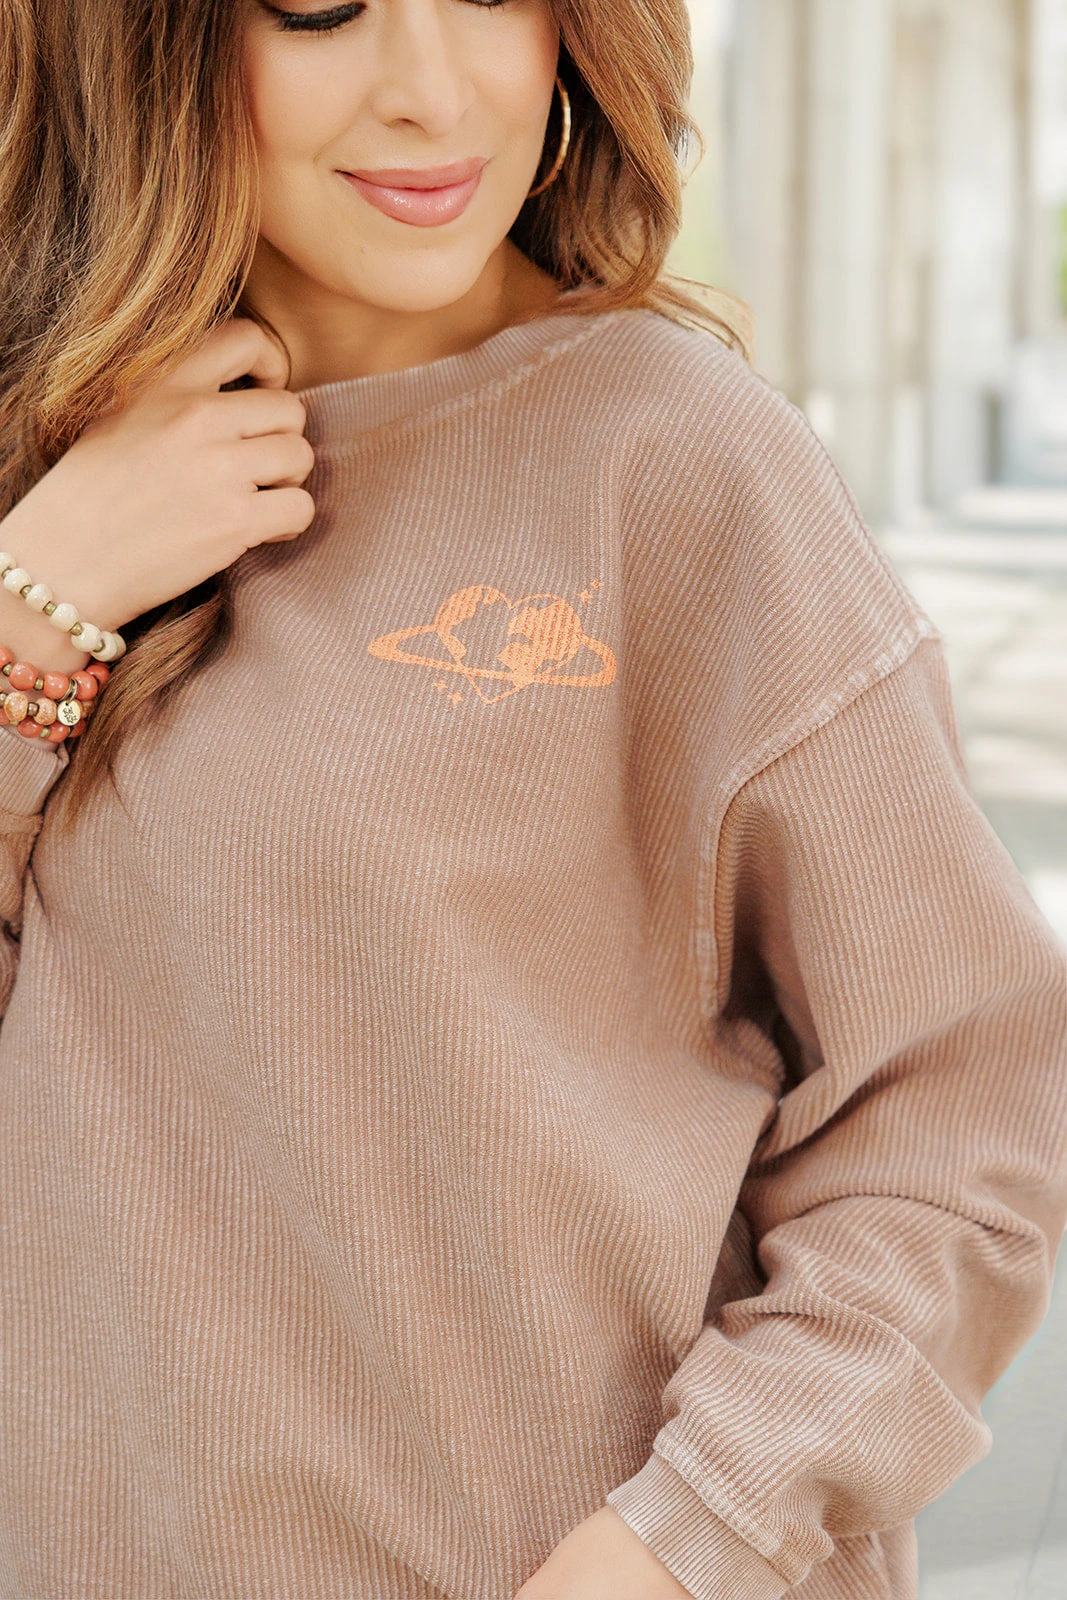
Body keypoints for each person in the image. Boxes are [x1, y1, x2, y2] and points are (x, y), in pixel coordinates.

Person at [0, 0, 1064, 1596]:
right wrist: (39, 602)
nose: (433, 93)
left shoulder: (679, 461)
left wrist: (684, 1543)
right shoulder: (54, 482)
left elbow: (963, 1117)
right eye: (321, 6)